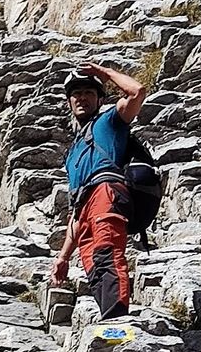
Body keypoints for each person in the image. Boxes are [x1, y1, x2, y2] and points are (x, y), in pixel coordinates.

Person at [49, 59, 146, 320]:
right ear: (69, 102)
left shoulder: (110, 122)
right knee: (93, 266)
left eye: (89, 93)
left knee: (106, 252)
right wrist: (63, 257)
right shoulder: (72, 155)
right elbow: (75, 213)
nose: (82, 98)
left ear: (99, 99)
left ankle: (118, 324)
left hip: (106, 193)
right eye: (76, 94)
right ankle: (110, 322)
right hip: (84, 209)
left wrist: (103, 72)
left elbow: (137, 91)